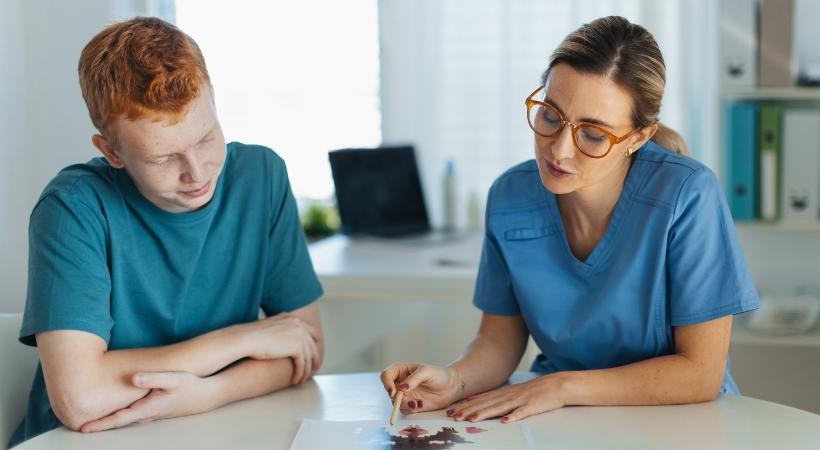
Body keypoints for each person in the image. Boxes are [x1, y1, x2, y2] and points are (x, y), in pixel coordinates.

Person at [381, 15, 760, 424]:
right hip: (561, 417)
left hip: (679, 420)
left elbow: (700, 373)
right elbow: (498, 340)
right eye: (549, 116)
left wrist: (561, 386)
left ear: (638, 137)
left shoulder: (687, 194)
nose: (558, 151)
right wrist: (453, 379)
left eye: (593, 135)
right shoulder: (510, 196)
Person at [9, 17, 324, 447]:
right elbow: (80, 398)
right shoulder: (72, 208)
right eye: (163, 159)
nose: (196, 173)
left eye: (207, 138)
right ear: (112, 151)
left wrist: (206, 394)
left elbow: (305, 349)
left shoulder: (261, 176)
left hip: (214, 430)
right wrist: (244, 339)